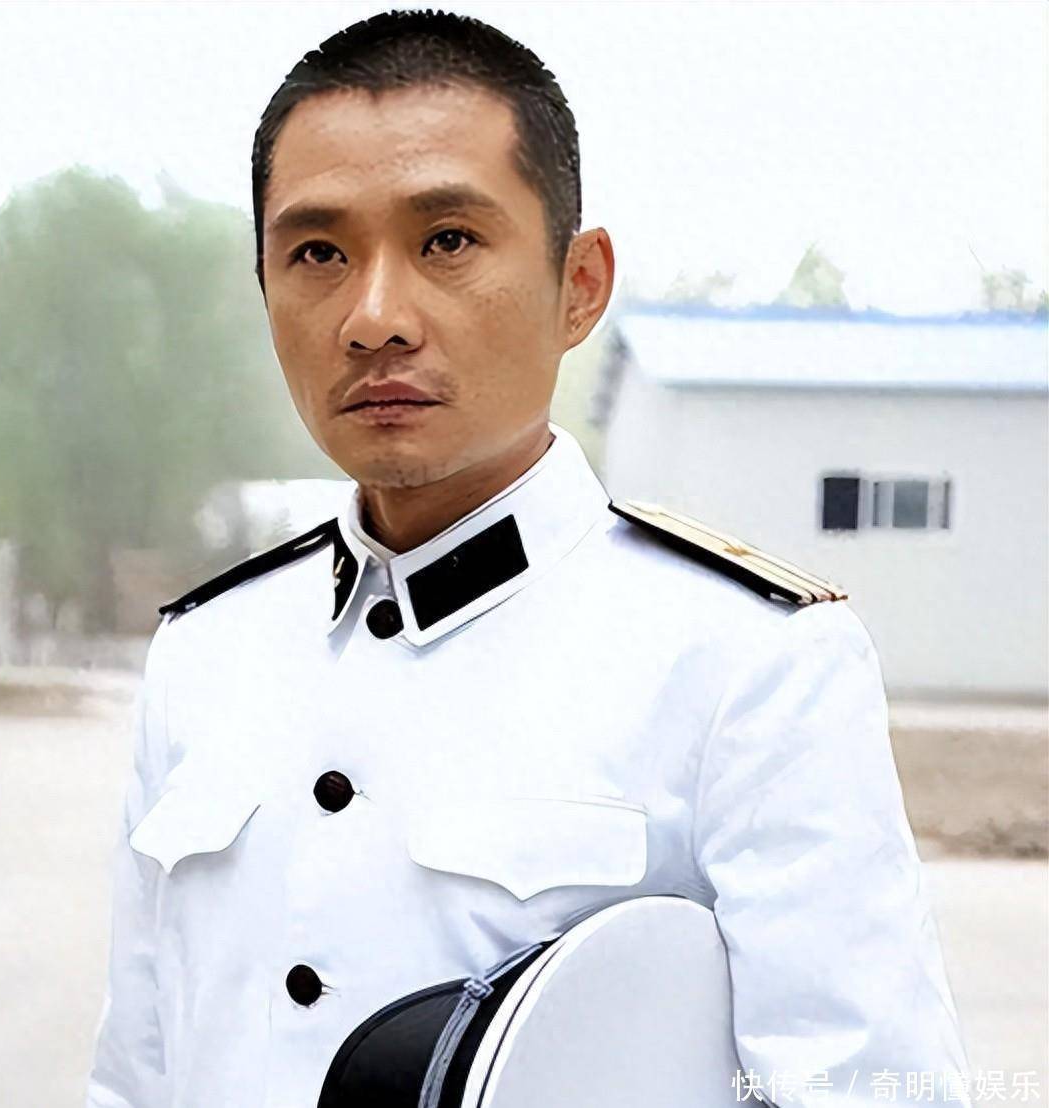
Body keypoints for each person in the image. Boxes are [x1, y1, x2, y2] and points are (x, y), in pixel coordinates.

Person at [84, 9, 971, 1107]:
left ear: (579, 285)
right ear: (265, 287)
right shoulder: (207, 654)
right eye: (318, 252)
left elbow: (872, 1089)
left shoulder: (746, 664)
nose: (373, 318)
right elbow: (137, 1077)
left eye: (448, 240)